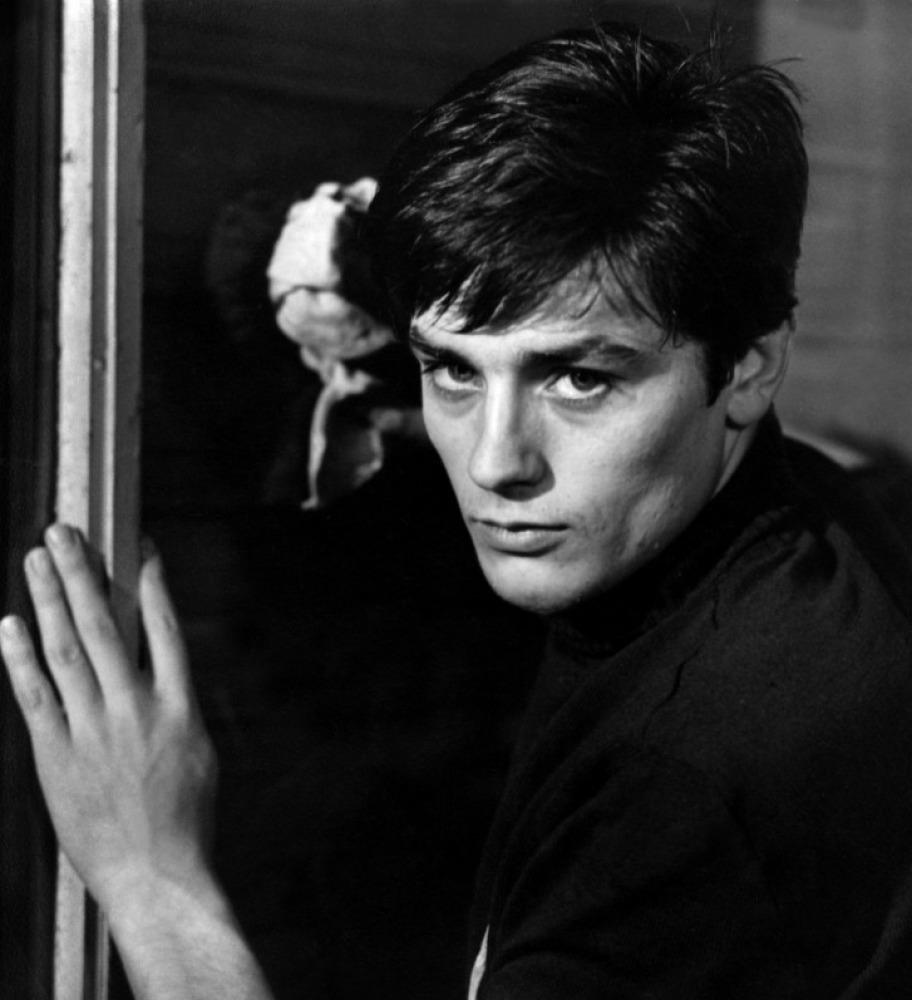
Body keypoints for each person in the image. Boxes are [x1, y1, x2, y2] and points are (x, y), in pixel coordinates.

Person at [4, 20, 912, 1000]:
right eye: (453, 371)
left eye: (579, 379)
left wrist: (155, 886)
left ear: (752, 367)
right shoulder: (803, 518)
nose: (494, 462)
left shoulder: (686, 799)